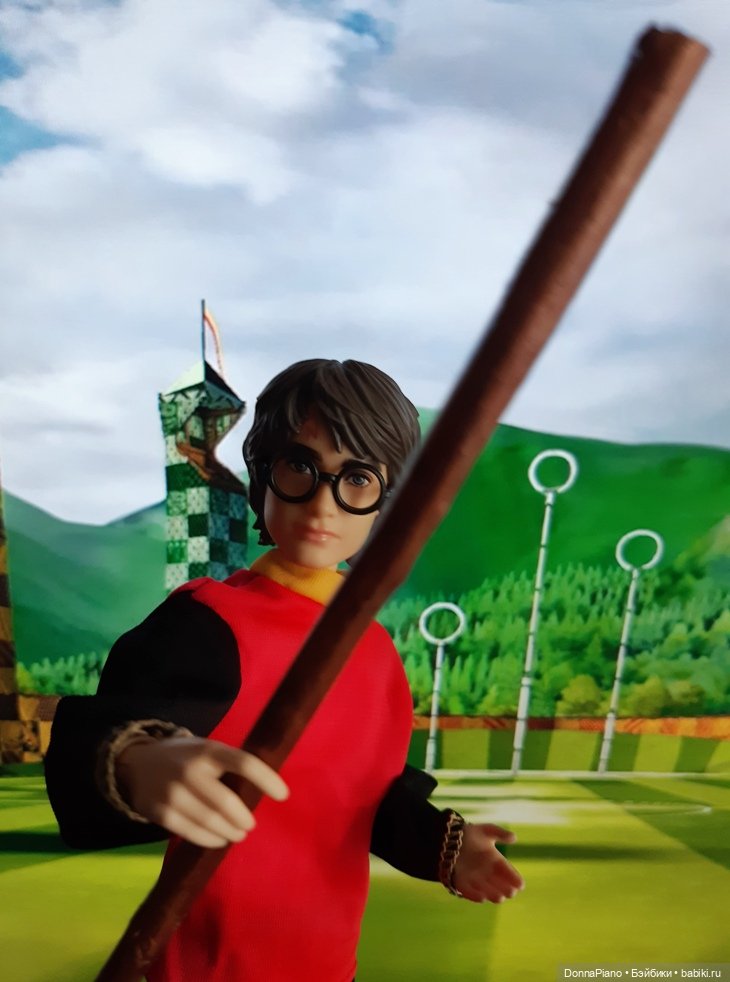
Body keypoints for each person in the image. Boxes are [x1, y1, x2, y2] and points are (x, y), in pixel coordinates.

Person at [45, 358, 523, 982]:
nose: (323, 504)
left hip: (327, 959)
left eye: (357, 478)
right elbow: (100, 730)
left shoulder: (374, 650)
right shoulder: (209, 621)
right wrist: (136, 759)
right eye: (300, 467)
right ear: (263, 475)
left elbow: (364, 797)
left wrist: (444, 846)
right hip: (209, 965)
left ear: (386, 501)